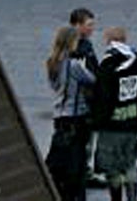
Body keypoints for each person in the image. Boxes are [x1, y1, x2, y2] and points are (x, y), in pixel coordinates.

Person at [90, 26, 137, 201]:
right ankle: (132, 197)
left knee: (113, 168)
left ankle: (116, 198)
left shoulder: (108, 63)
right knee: (129, 162)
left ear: (108, 41)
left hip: (112, 127)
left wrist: (96, 122)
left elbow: (103, 98)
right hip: (132, 123)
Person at [46, 21, 98, 198]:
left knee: (63, 155)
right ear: (71, 42)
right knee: (77, 161)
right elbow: (93, 80)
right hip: (76, 116)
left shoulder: (51, 62)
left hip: (59, 115)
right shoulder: (74, 65)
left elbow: (54, 86)